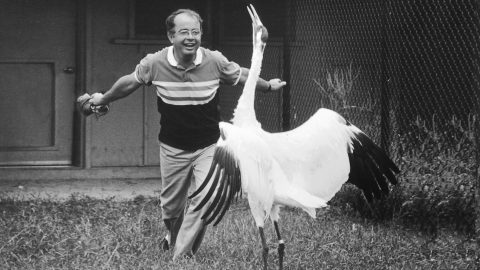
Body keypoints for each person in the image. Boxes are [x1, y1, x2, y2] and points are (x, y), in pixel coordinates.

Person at [89, 8, 286, 259]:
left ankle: (180, 257)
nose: (191, 37)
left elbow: (242, 76)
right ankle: (173, 237)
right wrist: (103, 100)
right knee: (171, 209)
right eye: (184, 32)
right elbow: (129, 82)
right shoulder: (155, 63)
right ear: (171, 37)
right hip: (173, 147)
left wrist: (268, 85)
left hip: (208, 146)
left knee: (206, 198)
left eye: (195, 31)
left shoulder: (214, 61)